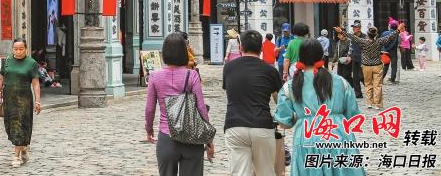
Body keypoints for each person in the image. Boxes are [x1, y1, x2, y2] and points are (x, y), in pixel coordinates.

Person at [275, 39, 364, 176]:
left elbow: (284, 121)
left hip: (307, 137)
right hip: (338, 135)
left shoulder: (290, 86)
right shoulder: (341, 82)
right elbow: (353, 115)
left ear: (300, 58)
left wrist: (298, 116)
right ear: (322, 57)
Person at [145, 33, 213, 175]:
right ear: (184, 52)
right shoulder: (192, 75)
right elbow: (201, 108)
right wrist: (208, 138)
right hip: (192, 138)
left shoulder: (155, 77)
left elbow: (150, 109)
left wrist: (149, 129)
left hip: (166, 136)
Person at [223, 30, 282, 176]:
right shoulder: (270, 70)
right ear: (261, 48)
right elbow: (279, 101)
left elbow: (230, 93)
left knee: (240, 173)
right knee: (266, 172)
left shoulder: (229, 68)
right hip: (262, 126)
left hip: (235, 126)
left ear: (241, 47)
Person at [0, 39, 42, 168]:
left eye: (21, 49)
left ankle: (16, 155)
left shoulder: (31, 63)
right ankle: (23, 148)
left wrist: (37, 101)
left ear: (26, 49)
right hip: (9, 99)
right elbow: (1, 79)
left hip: (24, 100)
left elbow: (36, 83)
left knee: (20, 126)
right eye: (15, 49)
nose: (18, 51)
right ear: (12, 49)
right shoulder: (7, 61)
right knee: (10, 127)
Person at [334, 23, 403, 110]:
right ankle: (377, 104)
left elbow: (352, 37)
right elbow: (390, 37)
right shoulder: (379, 41)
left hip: (366, 66)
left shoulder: (364, 41)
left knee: (368, 84)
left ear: (368, 34)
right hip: (377, 65)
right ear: (376, 34)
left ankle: (369, 103)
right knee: (377, 85)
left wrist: (341, 31)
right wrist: (398, 30)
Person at [348, 21, 364, 98]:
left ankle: (370, 89)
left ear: (359, 28)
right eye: (353, 27)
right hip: (354, 59)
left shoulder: (364, 37)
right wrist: (349, 55)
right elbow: (350, 47)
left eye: (355, 27)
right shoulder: (352, 37)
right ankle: (358, 93)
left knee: (362, 76)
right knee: (355, 77)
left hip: (362, 59)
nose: (353, 29)